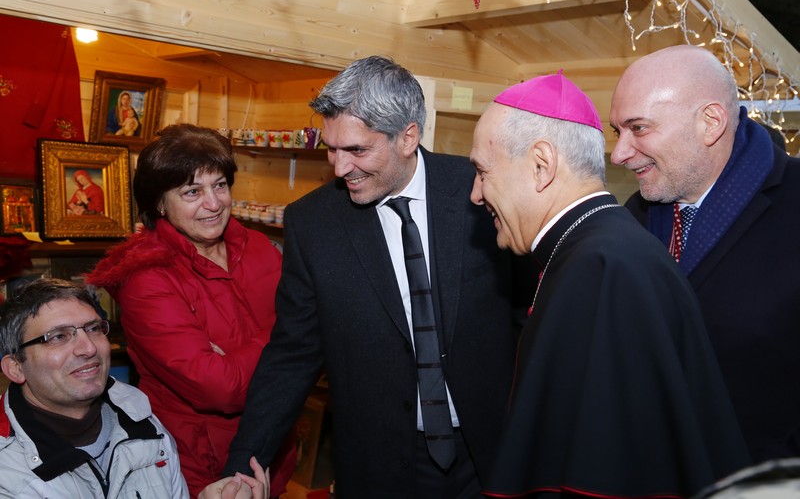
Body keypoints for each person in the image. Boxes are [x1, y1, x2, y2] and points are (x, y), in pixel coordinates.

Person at [223, 55, 534, 497]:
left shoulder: (479, 191)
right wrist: (243, 463)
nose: (339, 167)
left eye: (357, 150)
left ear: (408, 137)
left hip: (491, 451)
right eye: (331, 148)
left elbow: (526, 316)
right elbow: (292, 354)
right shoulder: (313, 224)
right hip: (381, 466)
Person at [470, 71, 751, 497]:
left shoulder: (602, 269)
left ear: (542, 165)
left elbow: (609, 469)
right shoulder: (592, 250)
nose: (475, 193)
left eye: (482, 172)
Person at [610, 45, 800, 463]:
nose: (619, 154)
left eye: (638, 128)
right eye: (617, 132)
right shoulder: (635, 216)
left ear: (710, 122)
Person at [86, 124, 296, 497]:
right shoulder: (147, 280)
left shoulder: (258, 246)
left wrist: (239, 357)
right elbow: (221, 389)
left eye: (220, 185)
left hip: (271, 442)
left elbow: (314, 339)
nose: (214, 203)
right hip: (200, 463)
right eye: (192, 192)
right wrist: (290, 337)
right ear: (159, 203)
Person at [0, 278, 189, 497]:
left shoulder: (143, 423)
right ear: (15, 368)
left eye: (93, 329)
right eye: (58, 336)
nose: (88, 348)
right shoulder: (6, 466)